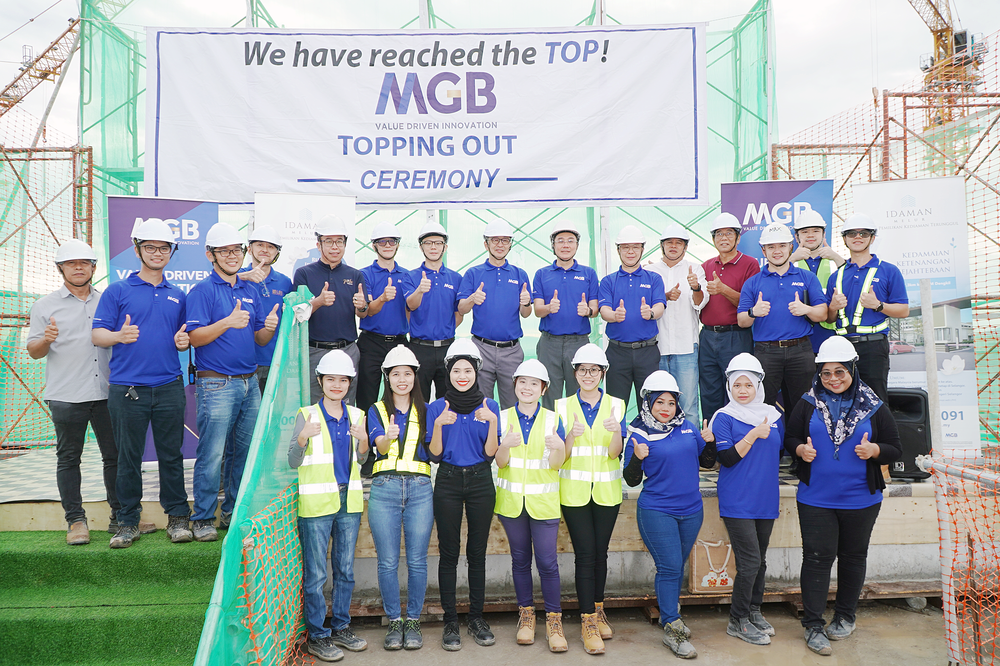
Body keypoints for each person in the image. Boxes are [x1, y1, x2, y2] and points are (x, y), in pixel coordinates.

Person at [784, 336, 902, 656]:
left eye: (840, 371)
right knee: (817, 559)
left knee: (853, 557)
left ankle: (845, 617)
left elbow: (895, 447)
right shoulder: (808, 402)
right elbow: (790, 437)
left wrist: (875, 450)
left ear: (852, 370)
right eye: (826, 372)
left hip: (861, 499)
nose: (833, 378)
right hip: (815, 498)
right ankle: (813, 625)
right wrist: (800, 450)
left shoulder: (874, 405)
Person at [92, 219, 192, 548]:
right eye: (150, 247)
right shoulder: (117, 290)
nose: (157, 253)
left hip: (169, 387)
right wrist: (118, 336)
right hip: (127, 389)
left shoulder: (177, 294)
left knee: (171, 456)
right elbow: (97, 335)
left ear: (171, 252)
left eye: (164, 248)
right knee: (128, 458)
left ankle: (178, 517)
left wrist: (183, 343)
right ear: (137, 250)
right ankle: (127, 522)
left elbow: (183, 337)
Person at [28, 240, 127, 545]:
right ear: (61, 268)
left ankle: (121, 517)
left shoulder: (108, 300)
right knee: (69, 458)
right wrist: (46, 339)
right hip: (66, 395)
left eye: (85, 263)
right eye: (71, 263)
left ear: (94, 268)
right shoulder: (45, 305)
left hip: (107, 392)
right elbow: (34, 351)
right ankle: (76, 521)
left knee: (115, 457)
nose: (79, 268)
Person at [187, 222, 278, 542]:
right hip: (216, 385)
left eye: (236, 250)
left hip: (249, 383)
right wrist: (227, 322)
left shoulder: (249, 290)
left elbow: (259, 338)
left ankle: (233, 512)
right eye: (224, 251)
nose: (232, 256)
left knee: (244, 453)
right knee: (212, 455)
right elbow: (194, 338)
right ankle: (202, 518)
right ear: (210, 255)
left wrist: (268, 328)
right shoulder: (202, 291)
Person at [623, 371, 715, 659]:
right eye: (659, 402)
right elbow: (631, 480)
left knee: (676, 566)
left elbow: (707, 462)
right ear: (648, 402)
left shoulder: (687, 427)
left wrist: (710, 441)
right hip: (657, 511)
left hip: (692, 511)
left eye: (671, 402)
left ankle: (671, 615)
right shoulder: (639, 434)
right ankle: (672, 627)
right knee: (671, 567)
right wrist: (637, 458)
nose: (666, 408)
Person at [288, 350, 370, 662]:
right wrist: (302, 439)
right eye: (330, 379)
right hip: (316, 505)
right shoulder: (306, 414)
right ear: (320, 381)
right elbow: (292, 461)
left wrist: (364, 440)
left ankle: (341, 627)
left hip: (348, 502)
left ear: (350, 383)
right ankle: (318, 636)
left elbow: (362, 459)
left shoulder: (357, 416)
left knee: (345, 570)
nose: (337, 385)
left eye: (343, 380)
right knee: (316, 575)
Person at [425, 339, 501, 650]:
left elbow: (491, 453)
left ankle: (476, 618)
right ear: (448, 373)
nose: (462, 376)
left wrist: (492, 423)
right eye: (456, 370)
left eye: (467, 370)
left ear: (476, 372)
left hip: (481, 480)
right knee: (449, 553)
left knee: (477, 552)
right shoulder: (436, 407)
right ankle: (451, 620)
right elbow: (434, 454)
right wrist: (439, 424)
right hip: (448, 480)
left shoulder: (490, 406)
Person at [702, 354, 783, 646]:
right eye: (737, 385)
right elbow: (726, 458)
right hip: (738, 499)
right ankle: (737, 620)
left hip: (765, 497)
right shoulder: (724, 417)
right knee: (749, 561)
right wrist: (753, 434)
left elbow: (778, 453)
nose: (743, 390)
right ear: (729, 386)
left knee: (760, 561)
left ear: (758, 385)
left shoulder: (774, 416)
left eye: (748, 385)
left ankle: (753, 610)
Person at [555, 343, 626, 655]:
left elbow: (614, 453)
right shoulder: (561, 407)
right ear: (575, 373)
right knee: (585, 555)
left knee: (601, 554)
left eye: (594, 370)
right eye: (582, 370)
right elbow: (560, 457)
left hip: (607, 492)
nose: (588, 375)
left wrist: (616, 432)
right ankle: (587, 622)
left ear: (603, 373)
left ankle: (597, 610)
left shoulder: (617, 405)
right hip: (575, 492)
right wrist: (571, 434)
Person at [494, 360, 568, 653]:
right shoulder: (502, 418)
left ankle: (554, 621)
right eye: (522, 382)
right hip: (512, 504)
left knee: (548, 563)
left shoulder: (553, 419)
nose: (527, 388)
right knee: (520, 561)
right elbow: (500, 463)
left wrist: (560, 447)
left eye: (534, 383)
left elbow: (556, 465)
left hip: (544, 504)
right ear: (514, 385)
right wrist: (504, 445)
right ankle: (526, 616)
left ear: (543, 389)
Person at [366, 345, 433, 651]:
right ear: (387, 378)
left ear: (415, 376)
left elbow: (435, 450)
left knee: (417, 561)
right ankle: (394, 620)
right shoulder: (376, 410)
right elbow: (378, 447)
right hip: (385, 488)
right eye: (396, 374)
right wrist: (386, 437)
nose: (402, 379)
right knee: (388, 561)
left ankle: (413, 621)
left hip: (420, 488)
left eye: (407, 373)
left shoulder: (428, 410)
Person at [737, 222, 828, 408]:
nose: (777, 251)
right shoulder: (752, 282)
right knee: (762, 405)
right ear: (763, 250)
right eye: (771, 247)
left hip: (801, 350)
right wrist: (753, 312)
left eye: (782, 245)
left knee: (804, 407)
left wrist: (807, 309)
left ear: (791, 247)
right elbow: (742, 321)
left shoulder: (807, 277)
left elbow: (823, 314)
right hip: (766, 352)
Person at [825, 214, 909, 402]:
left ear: (872, 238)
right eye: (852, 233)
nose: (857, 237)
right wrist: (832, 307)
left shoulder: (889, 271)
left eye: (864, 233)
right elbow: (830, 318)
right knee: (842, 401)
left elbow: (903, 311)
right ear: (844, 238)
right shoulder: (836, 276)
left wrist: (878, 306)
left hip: (873, 346)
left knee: (875, 401)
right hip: (841, 346)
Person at [293, 214, 370, 404]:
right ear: (318, 245)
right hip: (314, 351)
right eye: (328, 241)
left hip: (348, 349)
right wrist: (318, 302)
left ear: (345, 244)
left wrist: (362, 306)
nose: (335, 246)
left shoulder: (355, 275)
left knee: (346, 404)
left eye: (339, 241)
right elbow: (296, 314)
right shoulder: (304, 273)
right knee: (314, 406)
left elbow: (363, 314)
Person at [457, 219, 531, 409]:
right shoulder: (473, 273)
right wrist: (472, 298)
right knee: (481, 405)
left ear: (510, 244)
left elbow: (526, 314)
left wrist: (526, 303)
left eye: (505, 240)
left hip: (511, 351)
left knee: (513, 406)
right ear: (486, 244)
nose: (500, 244)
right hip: (481, 348)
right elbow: (462, 308)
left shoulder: (520, 274)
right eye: (495, 240)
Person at [531, 221, 599, 410]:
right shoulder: (542, 274)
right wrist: (548, 308)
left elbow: (595, 308)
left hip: (579, 343)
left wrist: (588, 311)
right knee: (549, 395)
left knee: (578, 394)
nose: (565, 245)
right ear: (553, 245)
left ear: (577, 245)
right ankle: (551, 430)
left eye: (570, 240)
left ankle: (576, 430)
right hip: (549, 343)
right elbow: (537, 310)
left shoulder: (588, 273)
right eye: (560, 241)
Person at [598, 225, 666, 409]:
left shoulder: (654, 278)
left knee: (650, 406)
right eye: (625, 247)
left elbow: (660, 306)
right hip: (617, 352)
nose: (630, 251)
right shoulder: (608, 281)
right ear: (618, 250)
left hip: (647, 352)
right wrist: (614, 315)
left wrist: (650, 313)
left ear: (642, 249)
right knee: (615, 408)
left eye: (635, 247)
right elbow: (604, 310)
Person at [699, 213, 759, 420]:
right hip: (707, 336)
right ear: (713, 239)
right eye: (719, 234)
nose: (723, 238)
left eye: (729, 234)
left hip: (736, 335)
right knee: (709, 392)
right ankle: (711, 436)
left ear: (738, 238)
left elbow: (750, 305)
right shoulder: (706, 265)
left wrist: (723, 289)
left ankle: (738, 434)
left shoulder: (750, 264)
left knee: (738, 389)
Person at [647, 223, 708, 421]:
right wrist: (664, 296)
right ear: (662, 246)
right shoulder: (650, 271)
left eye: (679, 242)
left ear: (685, 247)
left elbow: (699, 303)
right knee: (657, 405)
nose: (673, 246)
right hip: (657, 347)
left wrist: (696, 287)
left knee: (688, 404)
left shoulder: (695, 269)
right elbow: (644, 306)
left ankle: (691, 441)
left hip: (686, 348)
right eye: (669, 242)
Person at [357, 222, 413, 412]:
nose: (387, 245)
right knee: (366, 397)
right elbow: (367, 310)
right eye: (382, 242)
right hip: (371, 343)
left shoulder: (407, 275)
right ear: (374, 246)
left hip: (399, 342)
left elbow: (410, 309)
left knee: (400, 396)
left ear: (398, 244)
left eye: (392, 241)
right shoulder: (364, 274)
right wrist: (382, 298)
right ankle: (366, 431)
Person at [405, 221, 463, 400]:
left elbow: (459, 313)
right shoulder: (411, 276)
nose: (433, 247)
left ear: (445, 247)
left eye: (438, 243)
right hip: (419, 348)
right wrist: (420, 290)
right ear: (421, 247)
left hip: (448, 347)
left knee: (447, 401)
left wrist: (444, 329)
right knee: (418, 401)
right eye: (428, 243)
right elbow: (410, 306)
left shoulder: (456, 278)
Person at [239, 224, 293, 391]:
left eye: (271, 246)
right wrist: (243, 277)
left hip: (274, 361)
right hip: (241, 362)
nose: (265, 250)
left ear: (277, 253)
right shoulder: (235, 277)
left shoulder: (285, 282)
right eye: (260, 245)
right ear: (249, 248)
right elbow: (213, 284)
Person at [789, 210, 844, 353]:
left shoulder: (835, 261)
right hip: (797, 334)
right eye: (805, 231)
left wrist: (836, 257)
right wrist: (792, 258)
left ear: (824, 234)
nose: (810, 235)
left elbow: (853, 278)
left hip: (828, 333)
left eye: (815, 231)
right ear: (796, 237)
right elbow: (770, 278)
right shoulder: (790, 263)